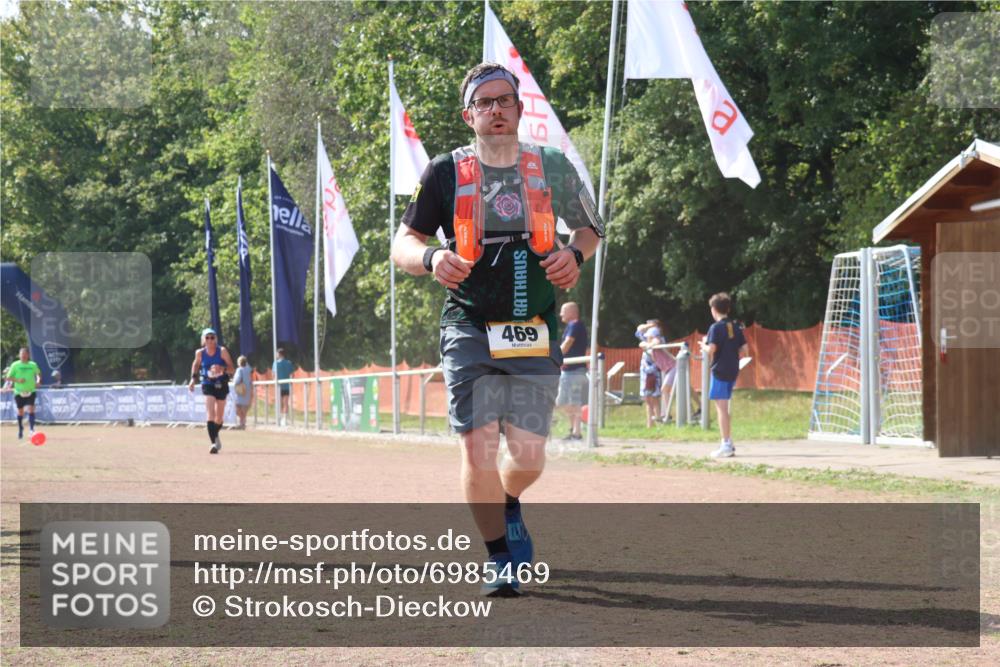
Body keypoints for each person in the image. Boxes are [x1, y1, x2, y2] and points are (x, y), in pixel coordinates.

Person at [390, 62, 604, 597]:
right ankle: (498, 558)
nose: (495, 110)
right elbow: (402, 244)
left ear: (520, 106)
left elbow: (591, 227)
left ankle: (508, 501)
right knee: (477, 448)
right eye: (483, 103)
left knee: (528, 455)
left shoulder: (551, 165)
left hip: (535, 325)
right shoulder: (444, 172)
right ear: (469, 115)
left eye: (504, 100)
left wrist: (576, 254)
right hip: (468, 324)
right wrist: (432, 256)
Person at [700, 293, 748, 458]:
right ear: (728, 308)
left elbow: (711, 349)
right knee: (725, 407)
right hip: (733, 369)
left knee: (721, 408)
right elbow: (744, 351)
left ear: (713, 310)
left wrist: (703, 346)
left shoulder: (715, 328)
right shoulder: (736, 326)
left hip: (719, 370)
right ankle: (728, 441)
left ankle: (725, 443)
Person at [188, 328, 235, 454]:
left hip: (221, 384)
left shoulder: (222, 351)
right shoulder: (199, 353)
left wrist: (222, 368)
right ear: (203, 340)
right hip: (207, 383)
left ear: (216, 339)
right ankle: (213, 443)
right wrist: (193, 380)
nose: (210, 340)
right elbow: (196, 365)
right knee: (210, 413)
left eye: (212, 337)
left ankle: (215, 434)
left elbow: (232, 369)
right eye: (207, 337)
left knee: (219, 417)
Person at [556, 302, 588, 441]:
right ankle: (574, 430)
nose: (560, 314)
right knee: (566, 402)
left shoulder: (575, 324)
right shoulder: (572, 325)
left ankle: (576, 432)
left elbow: (568, 343)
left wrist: (554, 357)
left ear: (572, 312)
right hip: (570, 371)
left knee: (570, 402)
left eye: (563, 311)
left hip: (574, 371)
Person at [5, 347, 42, 440]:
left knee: (31, 409)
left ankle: (32, 430)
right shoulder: (15, 365)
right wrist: (17, 380)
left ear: (28, 355)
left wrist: (38, 380)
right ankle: (21, 428)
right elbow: (8, 377)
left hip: (31, 390)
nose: (23, 356)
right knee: (20, 411)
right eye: (22, 354)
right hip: (19, 391)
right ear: (19, 355)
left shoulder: (32, 364)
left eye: (25, 354)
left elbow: (38, 374)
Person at [636, 321, 664, 427]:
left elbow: (656, 343)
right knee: (647, 399)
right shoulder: (647, 340)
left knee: (655, 398)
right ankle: (650, 424)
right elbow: (638, 331)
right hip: (645, 375)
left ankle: (658, 423)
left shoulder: (659, 340)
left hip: (654, 374)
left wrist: (647, 345)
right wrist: (649, 326)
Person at [273, 348, 294, 426]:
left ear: (279, 354)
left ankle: (280, 418)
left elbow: (274, 375)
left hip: (279, 386)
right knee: (285, 403)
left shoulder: (275, 363)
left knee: (279, 403)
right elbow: (292, 375)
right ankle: (284, 419)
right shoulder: (289, 363)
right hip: (287, 386)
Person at [232, 355, 254, 430]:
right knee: (244, 408)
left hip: (240, 390)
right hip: (247, 390)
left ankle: (242, 423)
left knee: (237, 407)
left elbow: (237, 380)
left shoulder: (239, 370)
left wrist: (233, 382)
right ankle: (243, 423)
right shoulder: (249, 370)